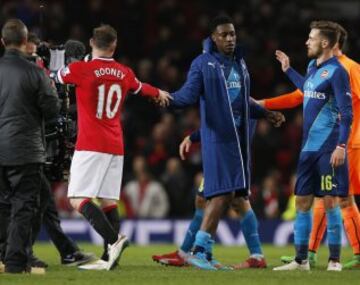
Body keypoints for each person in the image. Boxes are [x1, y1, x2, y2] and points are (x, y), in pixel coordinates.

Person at [169, 15, 284, 270]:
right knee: (220, 195)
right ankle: (198, 250)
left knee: (233, 197)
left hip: (238, 144)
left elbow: (241, 104)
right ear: (214, 37)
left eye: (232, 34)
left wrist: (266, 113)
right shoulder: (204, 64)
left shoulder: (240, 65)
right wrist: (168, 99)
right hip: (218, 142)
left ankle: (224, 253)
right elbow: (188, 95)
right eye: (224, 35)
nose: (230, 38)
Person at [56, 24, 171, 271]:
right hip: (115, 144)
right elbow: (143, 88)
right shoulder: (124, 72)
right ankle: (109, 259)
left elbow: (55, 77)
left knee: (78, 199)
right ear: (114, 45)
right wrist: (159, 92)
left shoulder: (82, 69)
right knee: (108, 201)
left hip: (90, 144)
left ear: (91, 42)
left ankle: (114, 240)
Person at [260, 23, 360, 269]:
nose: (306, 42)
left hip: (333, 145)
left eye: (311, 38)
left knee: (334, 201)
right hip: (308, 148)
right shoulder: (312, 67)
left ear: (326, 43)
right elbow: (306, 90)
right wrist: (288, 70)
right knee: (303, 201)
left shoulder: (344, 70)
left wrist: (341, 144)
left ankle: (335, 259)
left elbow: (347, 111)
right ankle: (302, 258)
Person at [22, 32, 95, 269]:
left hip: (28, 146)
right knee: (34, 202)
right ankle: (21, 252)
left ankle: (65, 251)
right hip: (21, 147)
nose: (34, 58)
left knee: (43, 203)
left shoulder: (21, 73)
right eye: (30, 52)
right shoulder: (25, 76)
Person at [152, 122, 268, 269]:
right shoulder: (235, 103)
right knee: (205, 200)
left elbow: (221, 124)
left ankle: (254, 255)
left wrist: (192, 137)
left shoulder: (236, 102)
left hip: (229, 159)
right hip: (220, 156)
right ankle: (195, 253)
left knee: (233, 202)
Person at [0, 19, 60, 274]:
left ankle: (3, 257)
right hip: (26, 148)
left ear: (2, 42)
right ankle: (15, 262)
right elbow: (52, 111)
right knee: (24, 205)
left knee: (3, 205)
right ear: (26, 43)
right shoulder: (35, 72)